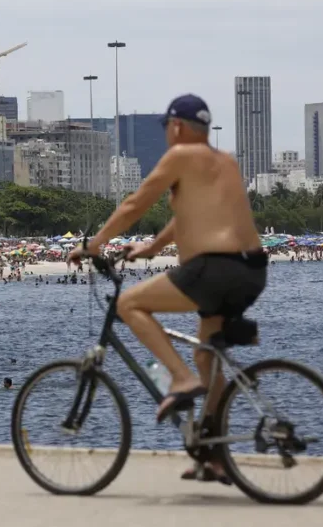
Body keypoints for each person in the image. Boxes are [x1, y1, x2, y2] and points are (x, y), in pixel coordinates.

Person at [70, 94, 266, 485]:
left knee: (129, 304)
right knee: (207, 358)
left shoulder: (180, 156)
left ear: (176, 126)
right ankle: (214, 454)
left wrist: (94, 245)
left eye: (165, 127)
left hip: (212, 268)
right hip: (251, 272)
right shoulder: (224, 162)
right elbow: (192, 217)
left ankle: (179, 380)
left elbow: (134, 205)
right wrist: (151, 248)